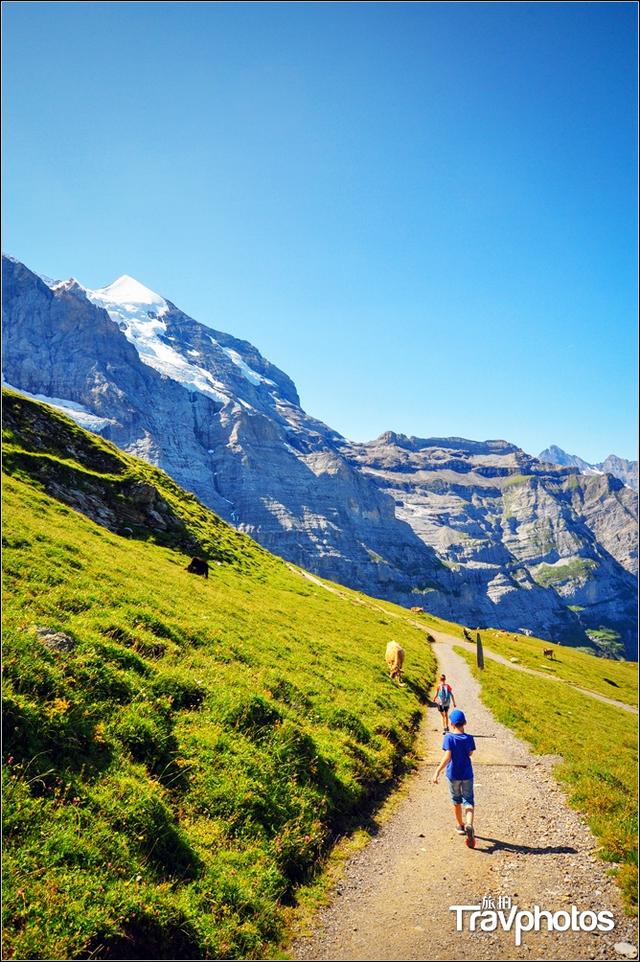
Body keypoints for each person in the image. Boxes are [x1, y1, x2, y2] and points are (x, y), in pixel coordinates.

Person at [432, 708, 476, 847]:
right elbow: (470, 753)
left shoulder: (449, 737)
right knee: (468, 800)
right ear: (465, 723)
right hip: (467, 774)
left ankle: (460, 825)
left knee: (456, 800)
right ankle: (469, 823)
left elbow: (447, 757)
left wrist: (437, 771)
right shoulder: (469, 738)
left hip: (453, 775)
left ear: (451, 724)